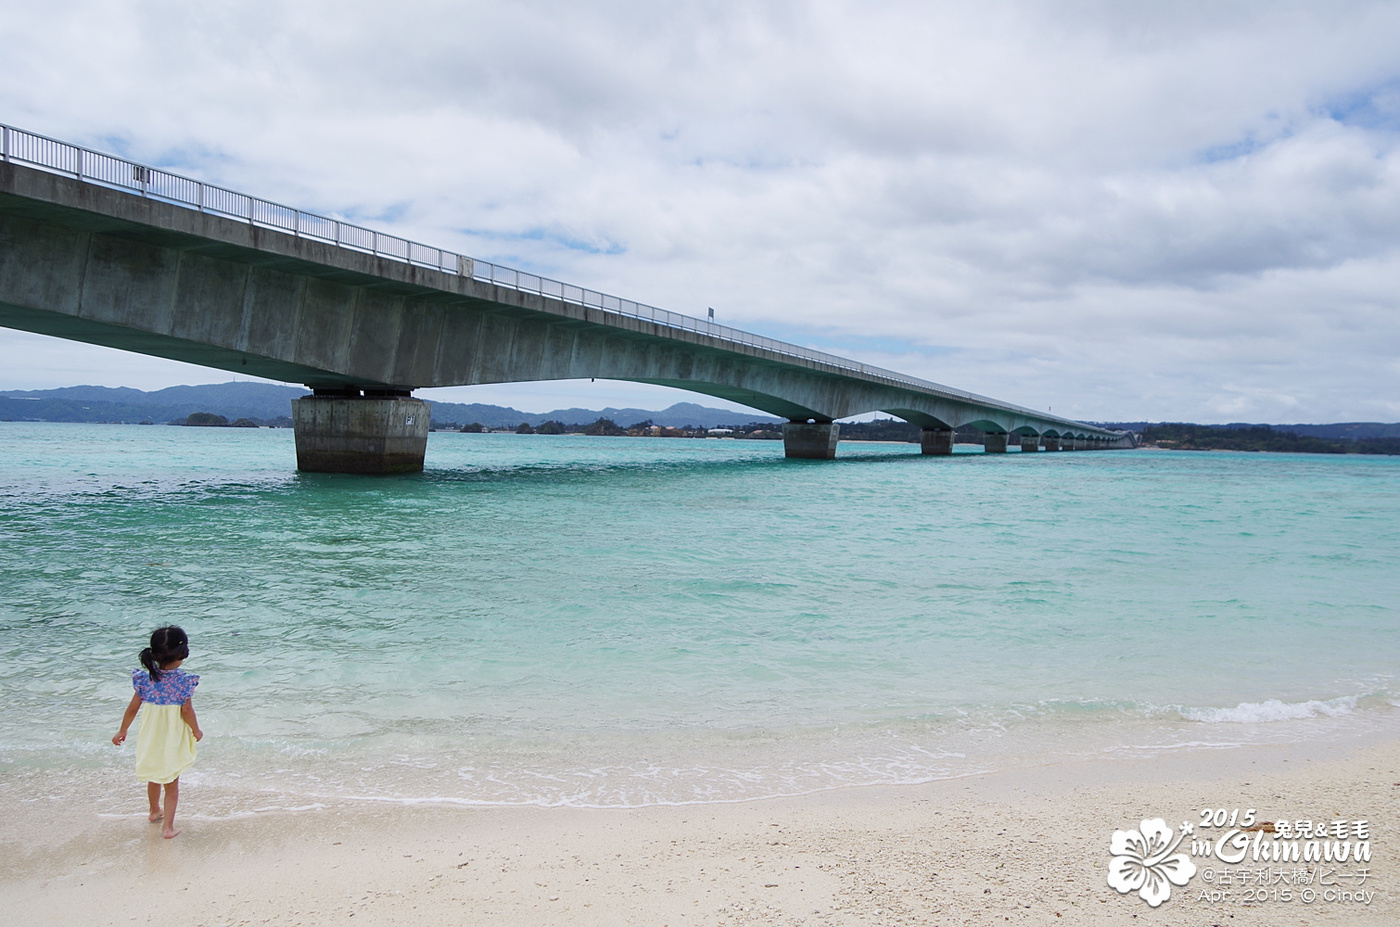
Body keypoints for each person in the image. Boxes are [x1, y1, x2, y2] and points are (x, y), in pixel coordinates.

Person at [112, 625, 203, 838]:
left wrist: (122, 730)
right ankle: (168, 828)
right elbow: (187, 710)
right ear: (181, 653)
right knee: (171, 783)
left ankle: (154, 811)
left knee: (154, 775)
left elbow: (133, 708)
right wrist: (196, 730)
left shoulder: (146, 679)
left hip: (150, 738)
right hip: (170, 739)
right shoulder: (182, 681)